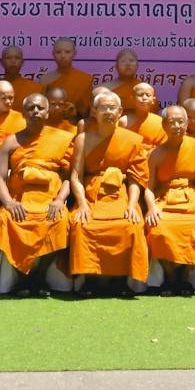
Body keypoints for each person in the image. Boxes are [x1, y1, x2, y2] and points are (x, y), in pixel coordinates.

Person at [0, 91, 75, 294]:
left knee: (61, 220)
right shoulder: (11, 141)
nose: (35, 111)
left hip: (50, 199)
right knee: (6, 220)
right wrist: (9, 203)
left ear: (47, 113)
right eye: (30, 108)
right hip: (20, 199)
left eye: (40, 108)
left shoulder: (63, 138)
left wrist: (60, 200)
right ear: (23, 113)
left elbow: (69, 177)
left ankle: (38, 276)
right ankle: (22, 278)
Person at [68, 89, 151, 296]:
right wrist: (82, 204)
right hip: (92, 193)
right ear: (94, 111)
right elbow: (76, 177)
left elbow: (136, 178)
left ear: (120, 111)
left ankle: (120, 282)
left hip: (120, 194)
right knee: (82, 225)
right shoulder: (83, 139)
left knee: (130, 225)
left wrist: (132, 205)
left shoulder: (133, 140)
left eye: (112, 108)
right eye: (103, 108)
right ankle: (89, 281)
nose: (108, 112)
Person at [147, 104, 195, 294]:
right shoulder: (155, 154)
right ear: (164, 125)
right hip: (165, 200)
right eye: (172, 122)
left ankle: (185, 276)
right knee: (157, 228)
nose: (177, 126)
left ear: (187, 124)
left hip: (192, 200)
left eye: (181, 122)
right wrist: (152, 208)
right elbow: (149, 187)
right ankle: (171, 276)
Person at [41, 37, 94, 103]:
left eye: (67, 52)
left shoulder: (85, 79)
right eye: (58, 52)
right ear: (53, 54)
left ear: (74, 53)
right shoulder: (45, 80)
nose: (63, 56)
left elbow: (88, 107)